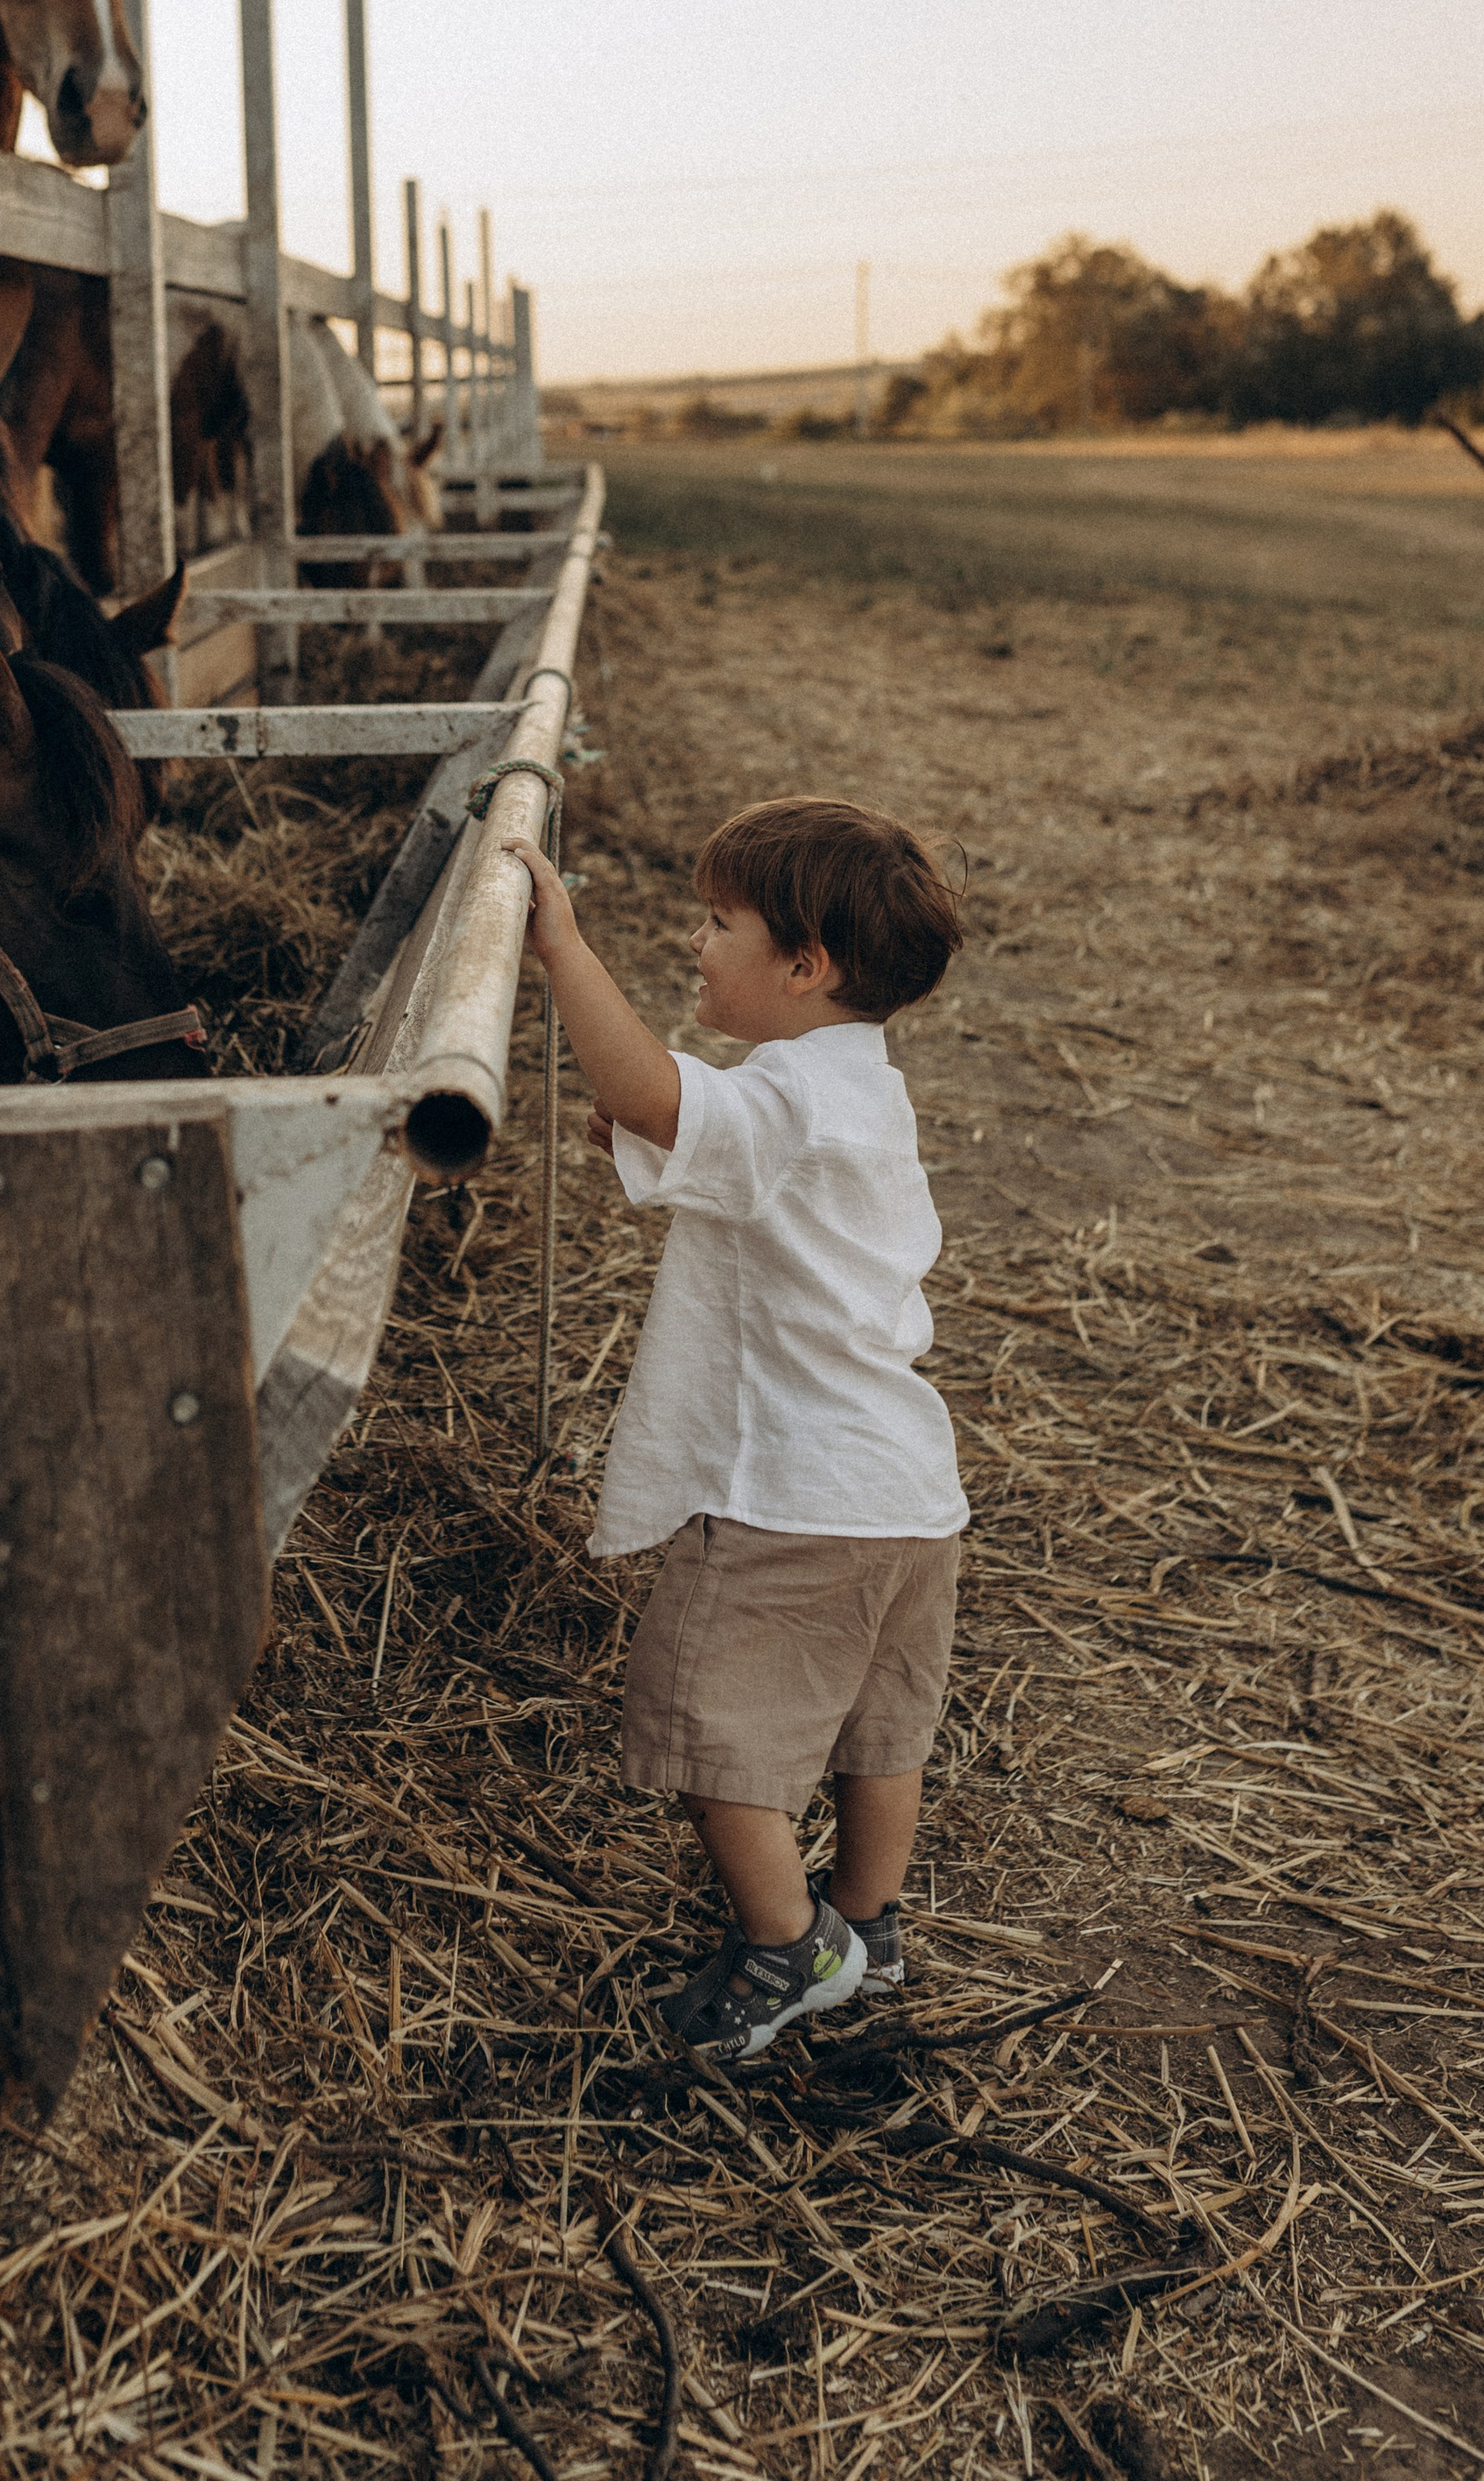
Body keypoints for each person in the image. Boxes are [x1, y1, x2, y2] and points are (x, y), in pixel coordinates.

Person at [508, 793, 965, 2061]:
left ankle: (790, 1941)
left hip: (796, 1493)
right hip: (909, 1490)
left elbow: (661, 1095)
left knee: (713, 1732)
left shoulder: (785, 1096)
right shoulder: (858, 1088)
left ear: (805, 967)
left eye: (719, 923)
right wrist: (654, 1124)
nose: (697, 944)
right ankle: (869, 1928)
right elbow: (709, 1147)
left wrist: (563, 946)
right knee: (882, 1729)